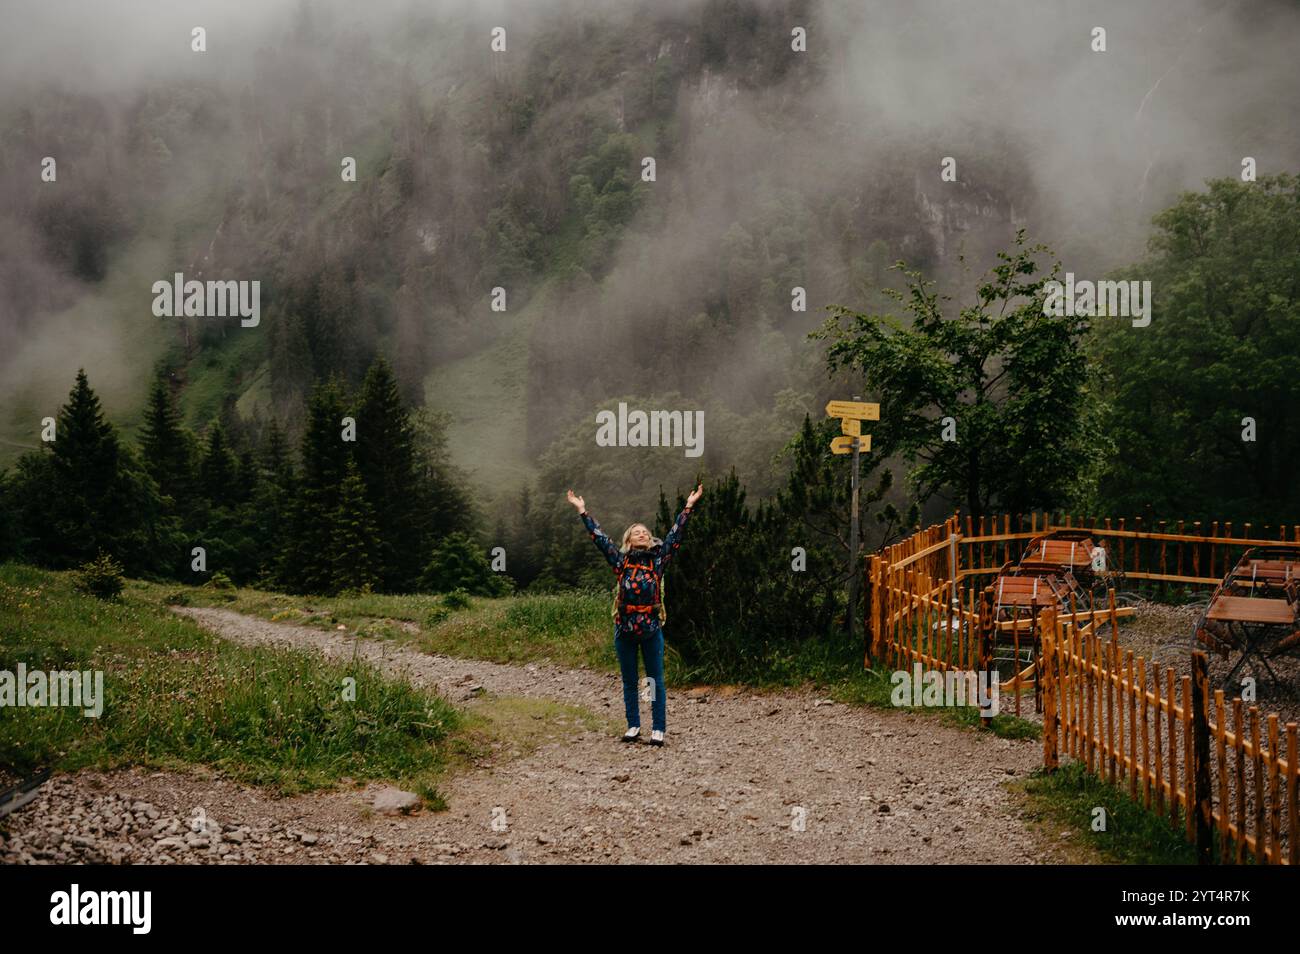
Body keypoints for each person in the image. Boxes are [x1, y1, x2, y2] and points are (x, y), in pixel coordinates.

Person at [566, 484, 703, 746]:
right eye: (636, 533)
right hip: (624, 630)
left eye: (645, 533)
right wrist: (582, 511)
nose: (642, 534)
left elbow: (676, 535)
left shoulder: (658, 561)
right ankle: (633, 726)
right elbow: (600, 539)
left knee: (653, 680)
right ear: (628, 541)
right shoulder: (621, 562)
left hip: (651, 629)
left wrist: (688, 506)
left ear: (650, 540)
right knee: (629, 680)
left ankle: (658, 729)